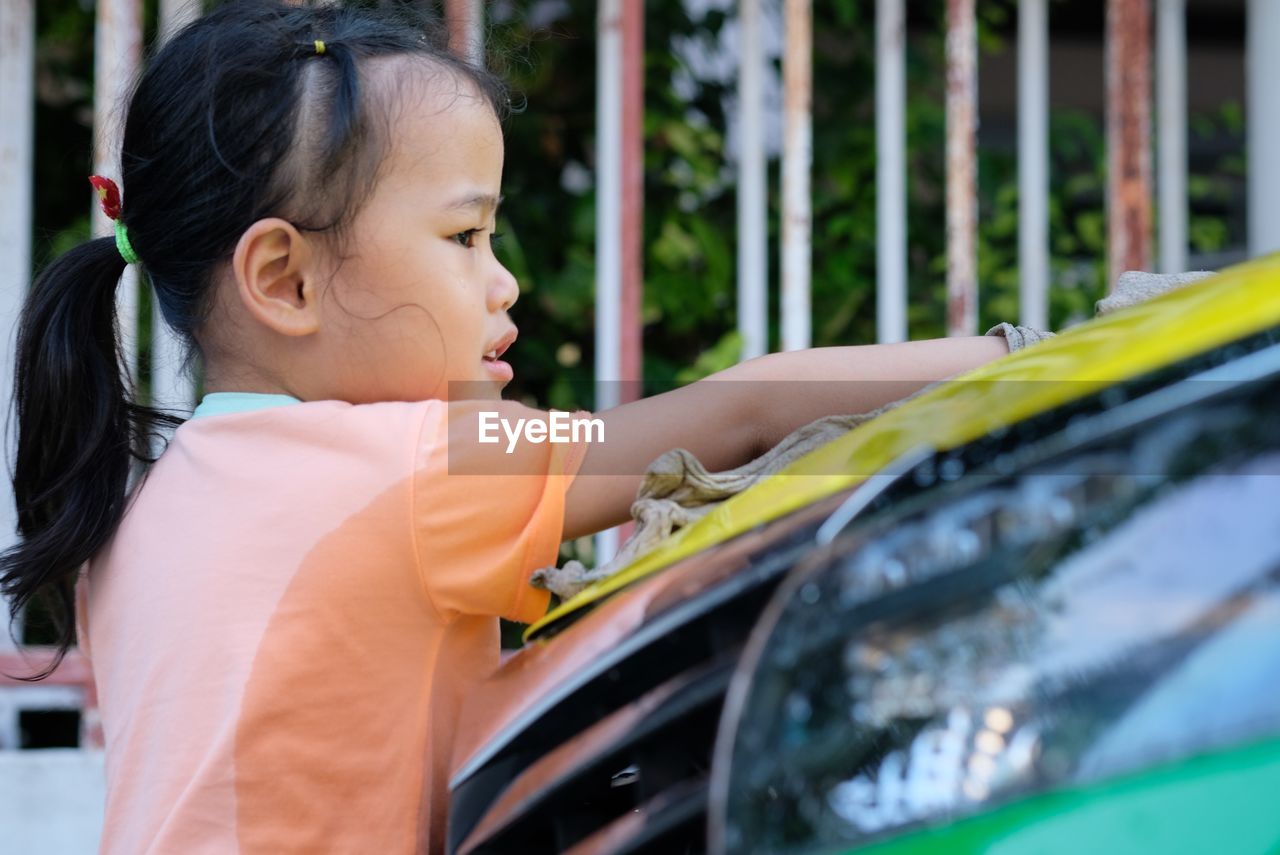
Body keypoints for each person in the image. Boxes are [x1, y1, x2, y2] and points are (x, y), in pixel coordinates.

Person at [0, 2, 1009, 852]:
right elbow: (737, 412)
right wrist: (1027, 357)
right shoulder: (405, 470)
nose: (503, 281)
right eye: (463, 235)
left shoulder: (137, 521)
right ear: (285, 279)